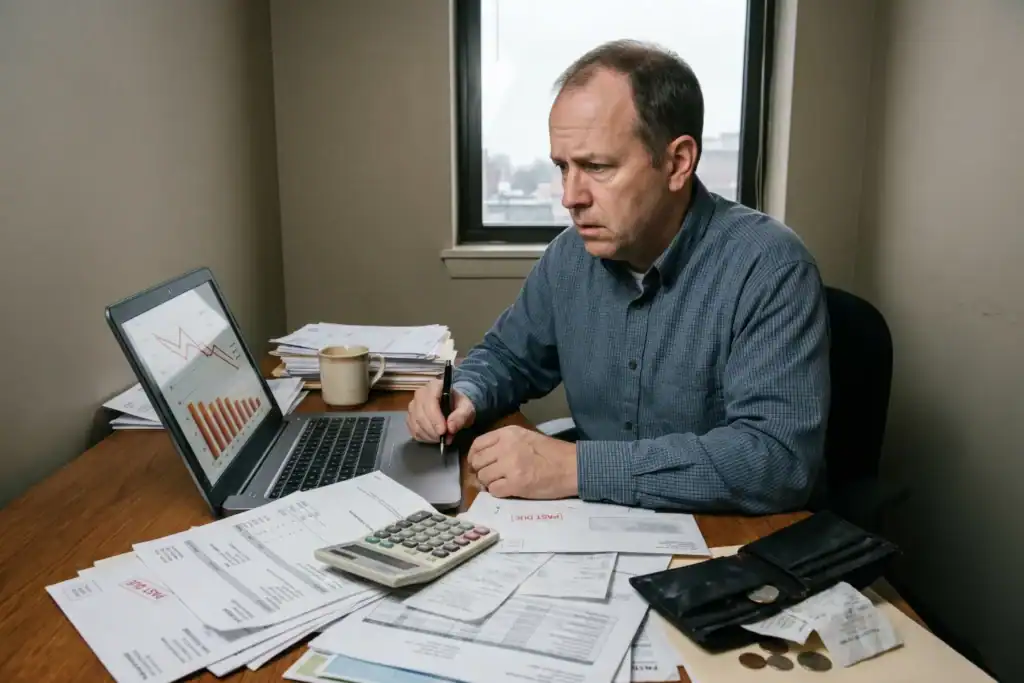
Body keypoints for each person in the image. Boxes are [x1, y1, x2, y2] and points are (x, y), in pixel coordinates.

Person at [407, 39, 830, 514]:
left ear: (677, 163)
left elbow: (777, 461)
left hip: (716, 541)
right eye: (563, 167)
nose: (570, 196)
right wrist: (465, 391)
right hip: (590, 523)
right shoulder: (569, 257)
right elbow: (510, 356)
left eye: (596, 167)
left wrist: (576, 468)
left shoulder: (770, 267)